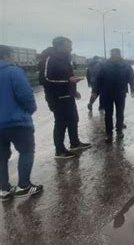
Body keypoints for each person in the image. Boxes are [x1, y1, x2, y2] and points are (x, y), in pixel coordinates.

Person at [0, 45, 43, 201]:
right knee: (26, 151)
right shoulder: (13, 71)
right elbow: (25, 95)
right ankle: (24, 186)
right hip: (17, 122)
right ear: (6, 55)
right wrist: (30, 110)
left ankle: (4, 190)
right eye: (12, 55)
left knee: (1, 156)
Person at [41, 37, 91, 158]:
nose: (71, 48)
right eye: (68, 46)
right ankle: (59, 150)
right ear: (60, 46)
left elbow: (69, 77)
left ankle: (75, 143)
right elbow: (45, 79)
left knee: (73, 119)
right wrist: (67, 81)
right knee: (60, 123)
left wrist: (74, 91)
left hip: (68, 96)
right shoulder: (50, 59)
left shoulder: (65, 59)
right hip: (56, 97)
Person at [93, 49, 134, 142]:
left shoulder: (126, 66)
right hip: (107, 94)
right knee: (108, 114)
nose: (113, 56)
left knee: (120, 113)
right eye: (112, 54)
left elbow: (131, 78)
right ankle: (109, 133)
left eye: (115, 54)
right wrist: (95, 91)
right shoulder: (105, 66)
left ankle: (119, 131)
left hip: (120, 93)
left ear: (119, 55)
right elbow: (98, 79)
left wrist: (133, 89)